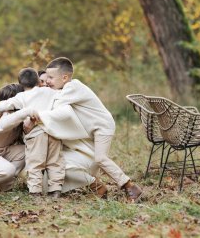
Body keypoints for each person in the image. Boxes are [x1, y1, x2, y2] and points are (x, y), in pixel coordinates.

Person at [42, 57, 143, 202]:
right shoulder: (66, 88)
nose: (47, 81)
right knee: (94, 162)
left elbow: (56, 105)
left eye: (51, 77)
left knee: (100, 158)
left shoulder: (72, 87)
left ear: (64, 77)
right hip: (95, 128)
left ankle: (130, 187)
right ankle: (98, 188)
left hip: (103, 125)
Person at [0, 68, 64, 198]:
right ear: (39, 81)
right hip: (53, 132)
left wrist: (1, 105)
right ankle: (55, 190)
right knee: (55, 162)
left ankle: (35, 192)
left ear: (21, 84)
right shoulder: (49, 91)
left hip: (36, 134)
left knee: (35, 163)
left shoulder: (21, 96)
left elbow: (2, 106)